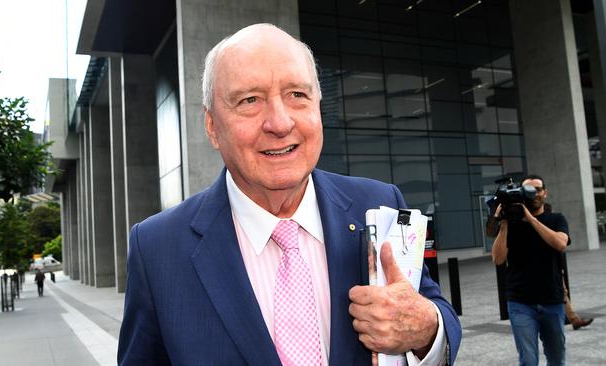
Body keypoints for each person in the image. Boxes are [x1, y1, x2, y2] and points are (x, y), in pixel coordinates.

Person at [117, 23, 461, 365]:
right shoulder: (157, 249)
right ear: (212, 127)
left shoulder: (379, 205)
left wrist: (426, 329)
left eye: (297, 94)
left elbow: (433, 313)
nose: (280, 124)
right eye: (250, 100)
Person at [491, 174, 570, 366]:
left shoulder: (556, 219)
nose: (533, 194)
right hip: (520, 302)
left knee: (556, 358)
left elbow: (561, 244)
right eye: (528, 190)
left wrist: (530, 219)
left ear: (545, 193)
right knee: (527, 359)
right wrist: (503, 225)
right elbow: (498, 258)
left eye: (537, 190)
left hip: (552, 300)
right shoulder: (512, 225)